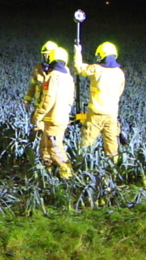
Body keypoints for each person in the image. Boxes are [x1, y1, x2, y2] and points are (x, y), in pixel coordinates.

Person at [73, 41, 126, 161]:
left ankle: (81, 163)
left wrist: (77, 53)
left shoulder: (96, 69)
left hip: (95, 113)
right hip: (112, 114)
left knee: (87, 141)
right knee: (112, 144)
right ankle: (114, 168)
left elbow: (79, 69)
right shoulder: (120, 73)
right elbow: (120, 91)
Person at [32, 46, 75, 178]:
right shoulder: (67, 76)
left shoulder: (53, 76)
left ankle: (67, 175)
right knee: (45, 146)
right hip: (60, 117)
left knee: (55, 148)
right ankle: (48, 171)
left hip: (53, 118)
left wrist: (38, 115)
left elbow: (48, 98)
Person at [23, 40, 58, 109]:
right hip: (38, 105)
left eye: (48, 54)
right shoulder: (38, 69)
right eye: (44, 54)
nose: (45, 57)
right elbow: (32, 86)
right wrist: (27, 101)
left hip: (53, 106)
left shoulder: (60, 70)